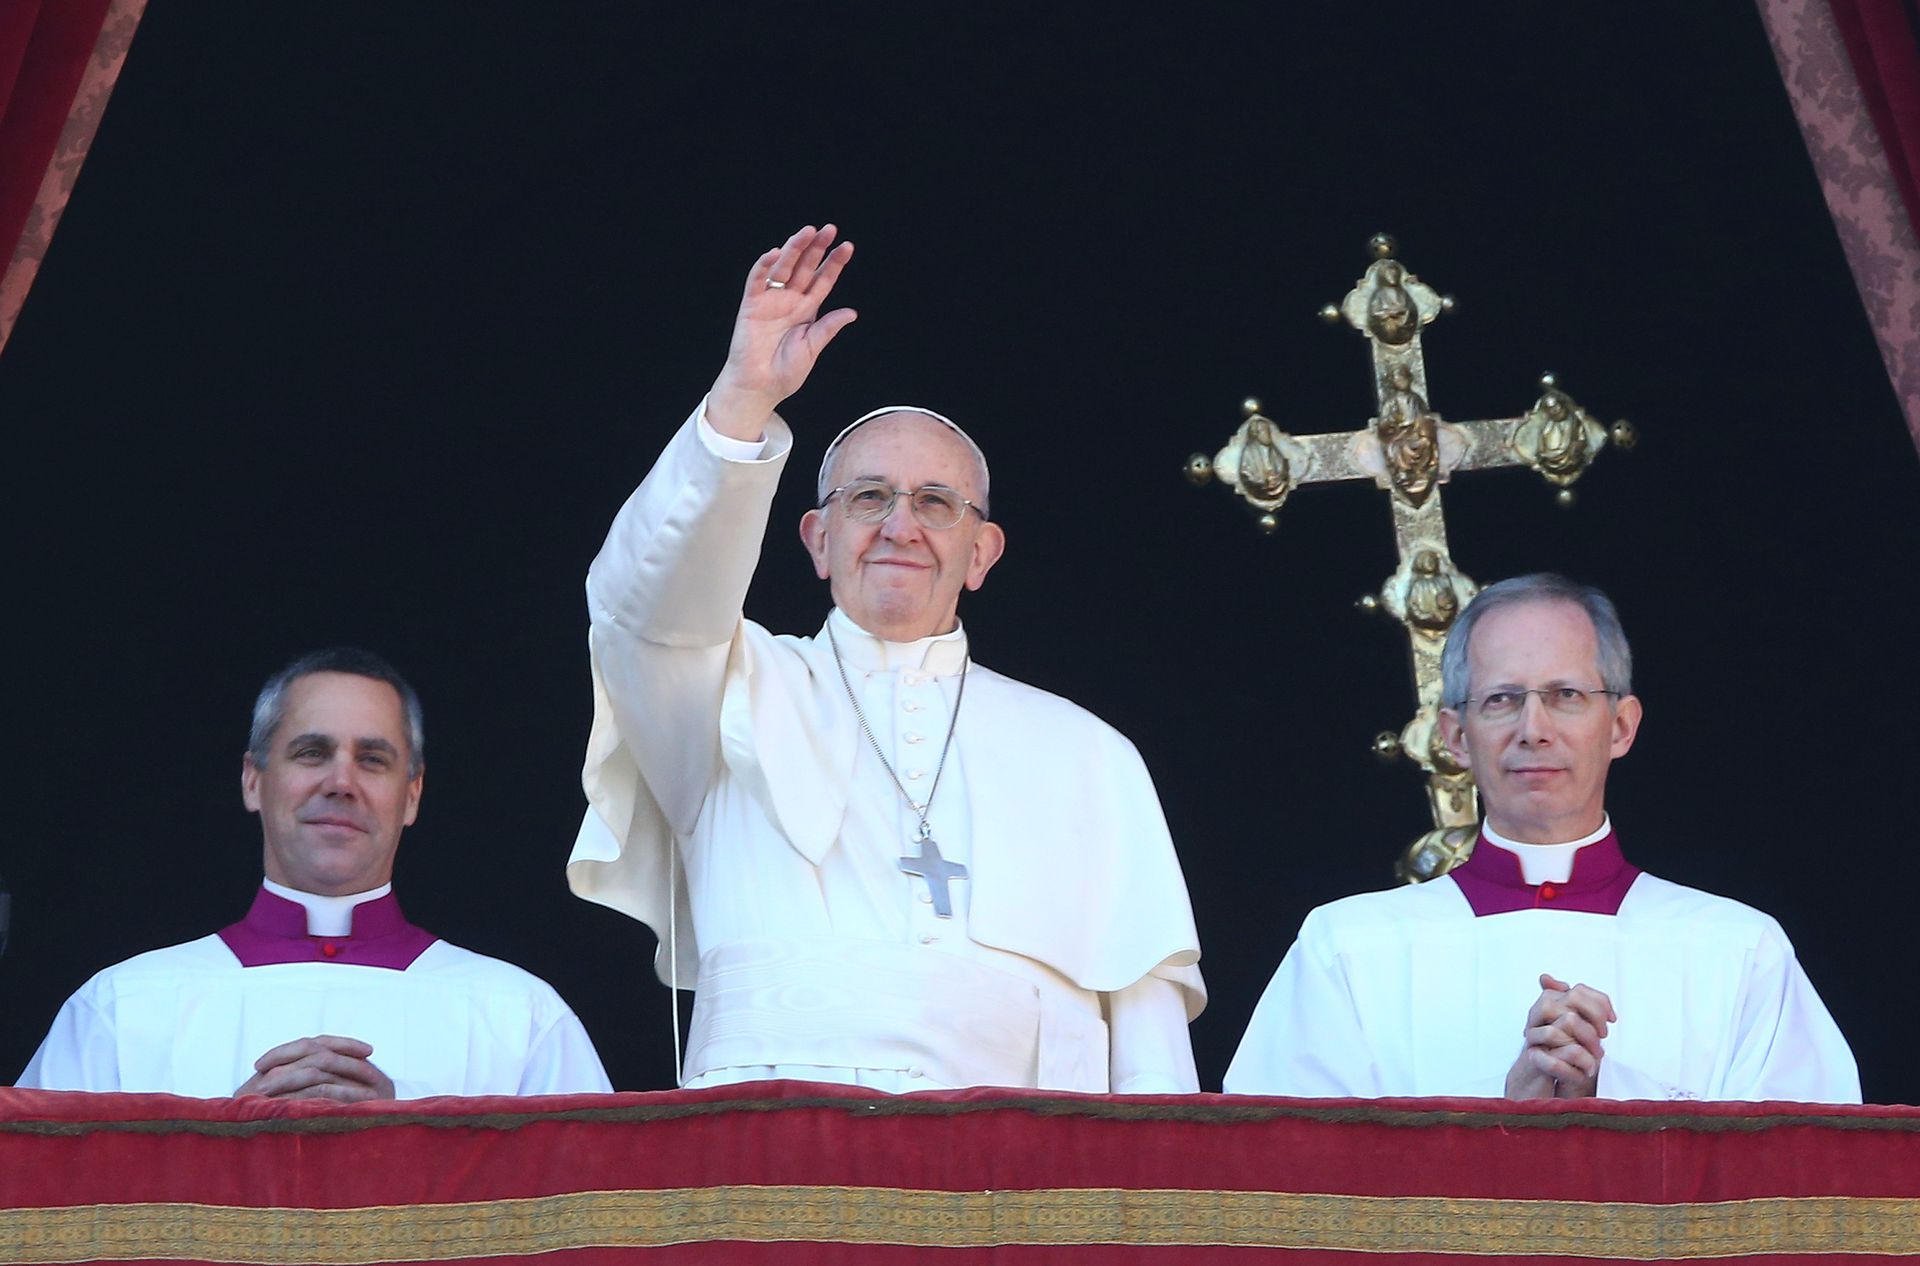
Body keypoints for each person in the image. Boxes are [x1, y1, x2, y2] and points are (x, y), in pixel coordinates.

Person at [568, 224, 1204, 1093]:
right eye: (870, 498)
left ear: (983, 553)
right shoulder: (721, 692)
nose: (900, 526)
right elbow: (639, 605)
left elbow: (1150, 1053)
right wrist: (744, 397)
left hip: (1019, 1192)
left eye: (936, 503)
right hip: (775, 1167)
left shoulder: (1090, 755)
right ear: (818, 539)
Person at [1225, 574, 1859, 1102]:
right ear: (1454, 736)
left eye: (1566, 695)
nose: (1534, 728)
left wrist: (1603, 1094)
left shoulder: (1739, 949)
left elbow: (1804, 1193)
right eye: (1501, 699)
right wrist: (1503, 1118)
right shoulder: (1347, 951)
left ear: (1621, 725)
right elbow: (1284, 1194)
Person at [18, 649, 611, 1100]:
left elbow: (592, 1237)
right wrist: (214, 1150)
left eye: (373, 760)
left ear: (412, 795)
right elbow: (35, 1225)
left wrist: (411, 1153)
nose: (341, 782)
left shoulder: (520, 1016)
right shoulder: (120, 1008)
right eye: (311, 752)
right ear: (253, 780)